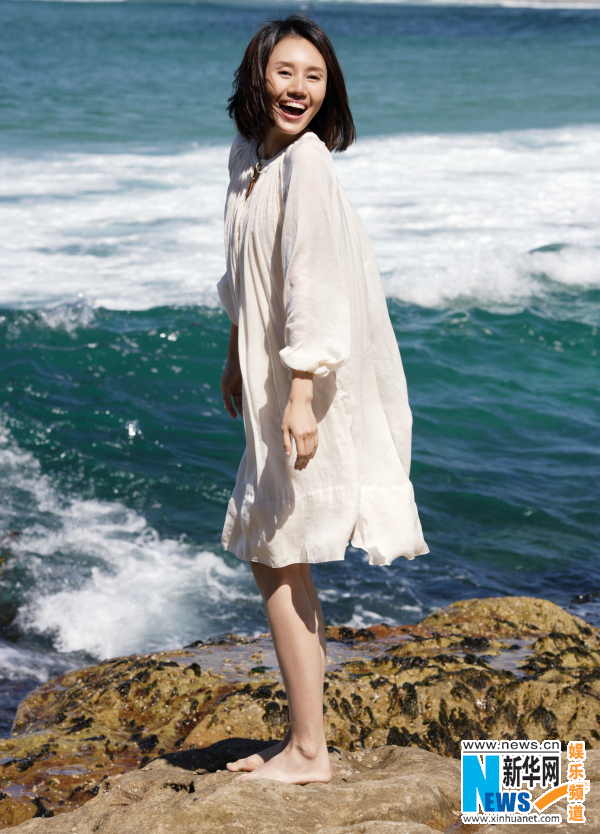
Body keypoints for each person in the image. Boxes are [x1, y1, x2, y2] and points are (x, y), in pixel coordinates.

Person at [217, 14, 428, 786]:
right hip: (274, 374)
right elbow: (249, 272)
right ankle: (307, 745)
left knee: (277, 555)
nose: (299, 88)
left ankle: (310, 752)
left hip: (310, 385)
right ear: (257, 77)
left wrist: (300, 393)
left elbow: (315, 283)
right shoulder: (249, 158)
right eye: (285, 73)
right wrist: (236, 357)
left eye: (314, 76)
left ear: (328, 88)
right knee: (280, 557)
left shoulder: (306, 163)